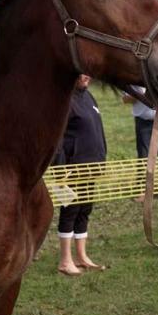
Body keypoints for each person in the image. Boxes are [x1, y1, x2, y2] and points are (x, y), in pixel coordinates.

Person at [55, 74, 107, 277]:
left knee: (84, 210)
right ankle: (65, 260)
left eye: (88, 73)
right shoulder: (65, 100)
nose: (86, 77)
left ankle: (82, 256)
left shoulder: (89, 97)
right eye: (81, 72)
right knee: (70, 211)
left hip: (92, 166)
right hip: (71, 169)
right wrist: (61, 169)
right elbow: (57, 137)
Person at [122, 85, 158, 201]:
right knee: (144, 156)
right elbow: (125, 99)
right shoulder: (132, 80)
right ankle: (143, 191)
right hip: (143, 122)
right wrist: (142, 96)